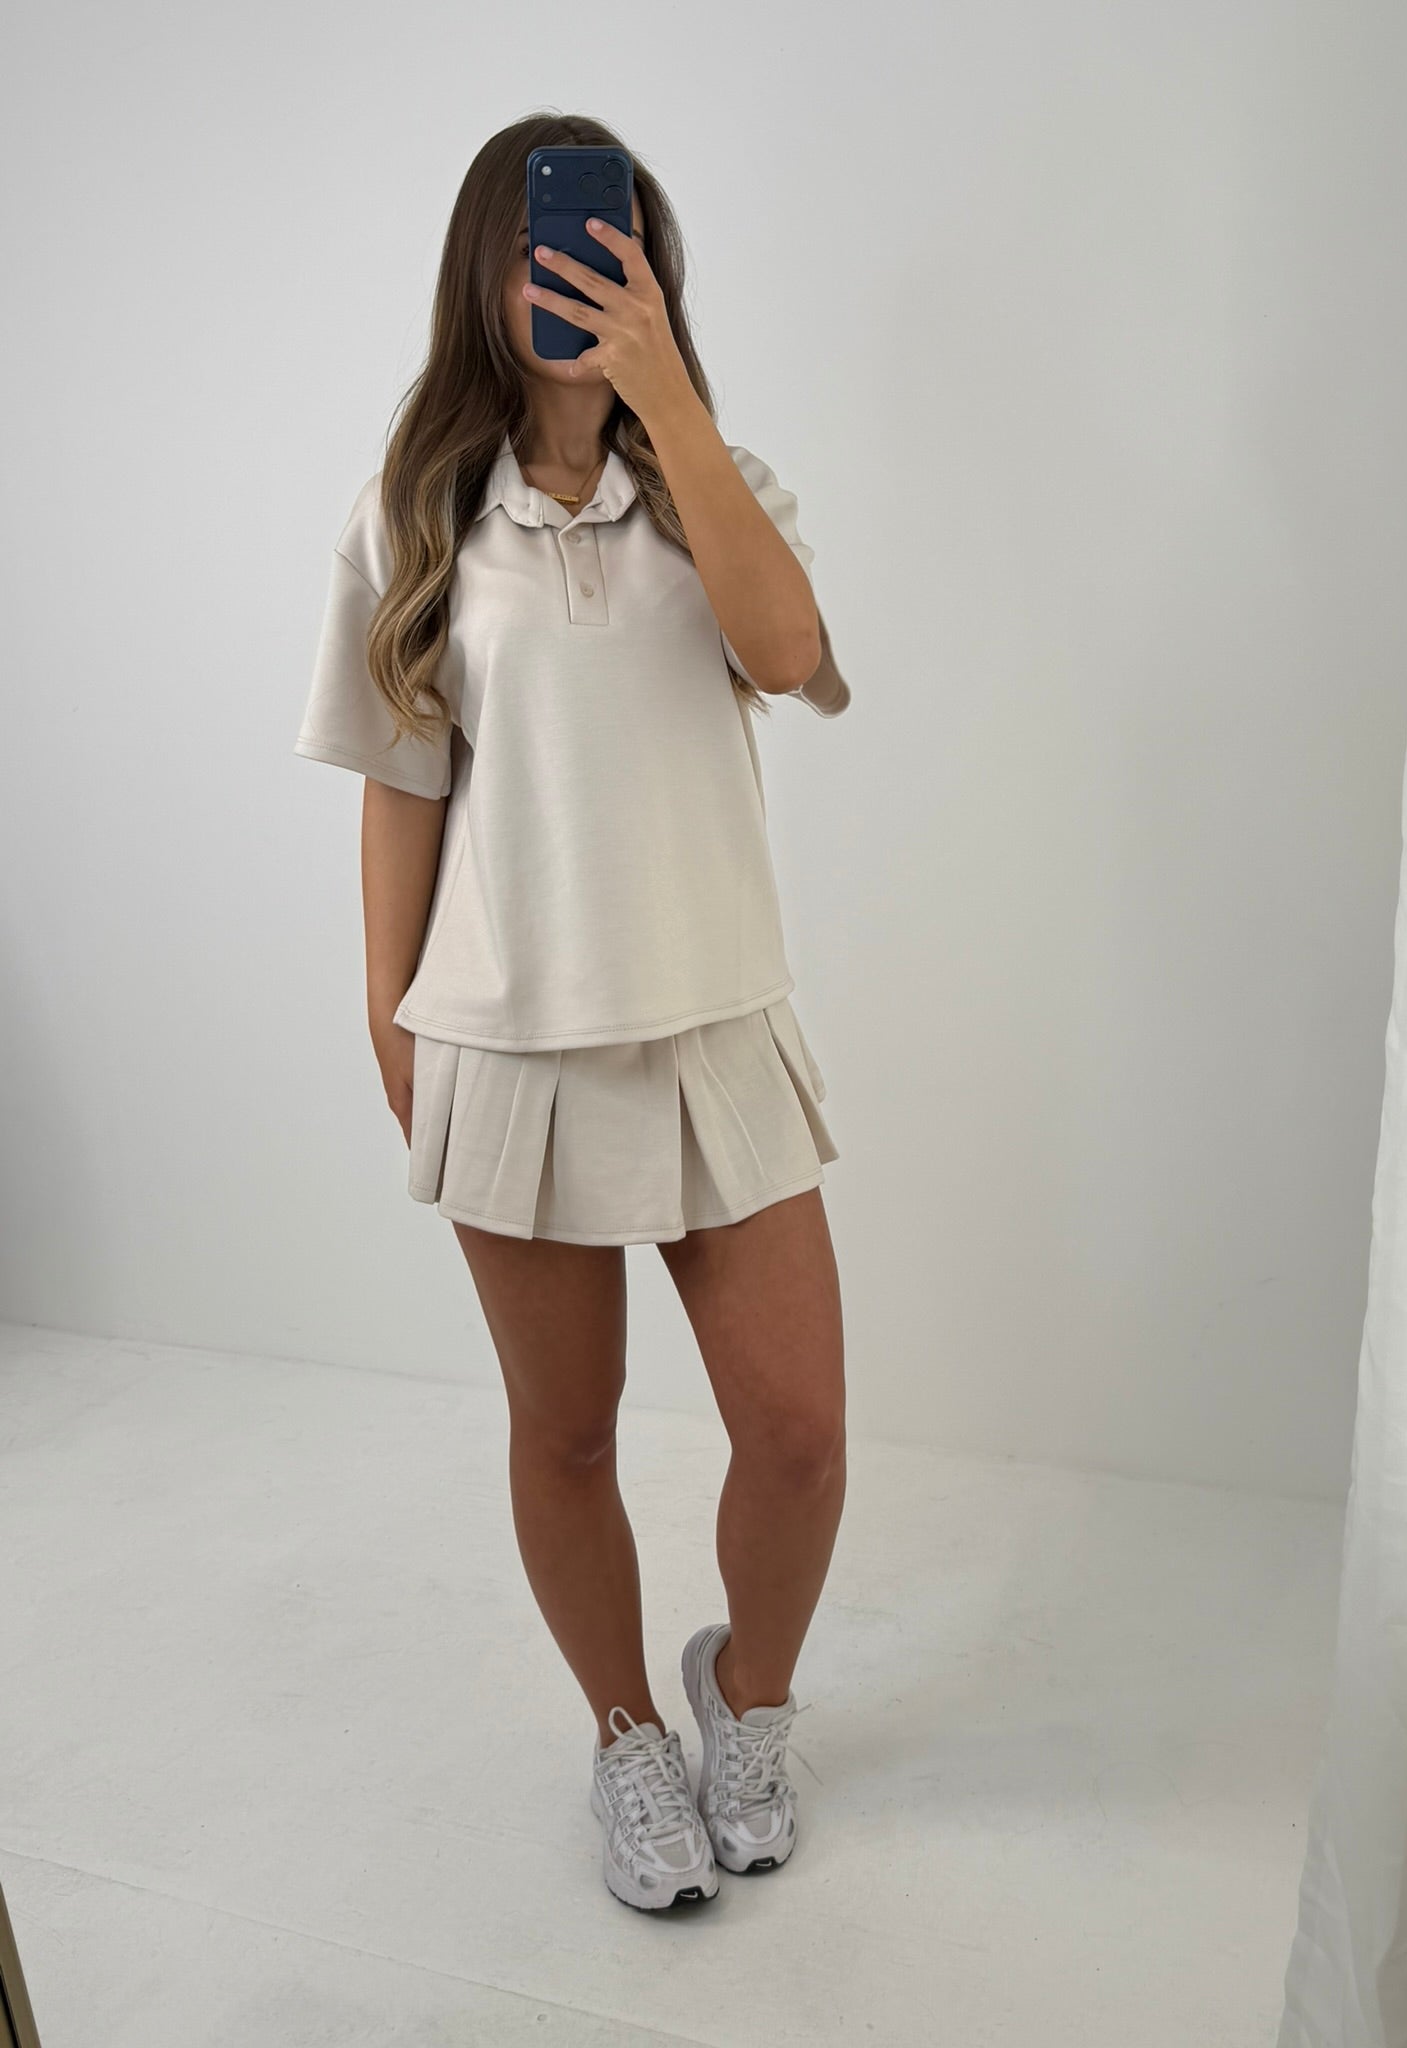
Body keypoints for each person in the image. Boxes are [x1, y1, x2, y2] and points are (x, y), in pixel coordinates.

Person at [292, 115, 853, 1915]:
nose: (582, 271)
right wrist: (392, 1031)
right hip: (508, 1037)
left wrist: (665, 404)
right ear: (487, 266)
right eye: (549, 245)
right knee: (569, 1433)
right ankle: (625, 1737)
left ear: (654, 272)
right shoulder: (414, 518)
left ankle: (745, 1696)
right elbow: (399, 791)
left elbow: (791, 661)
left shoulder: (720, 485)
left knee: (799, 1433)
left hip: (714, 1023)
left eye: (616, 247)